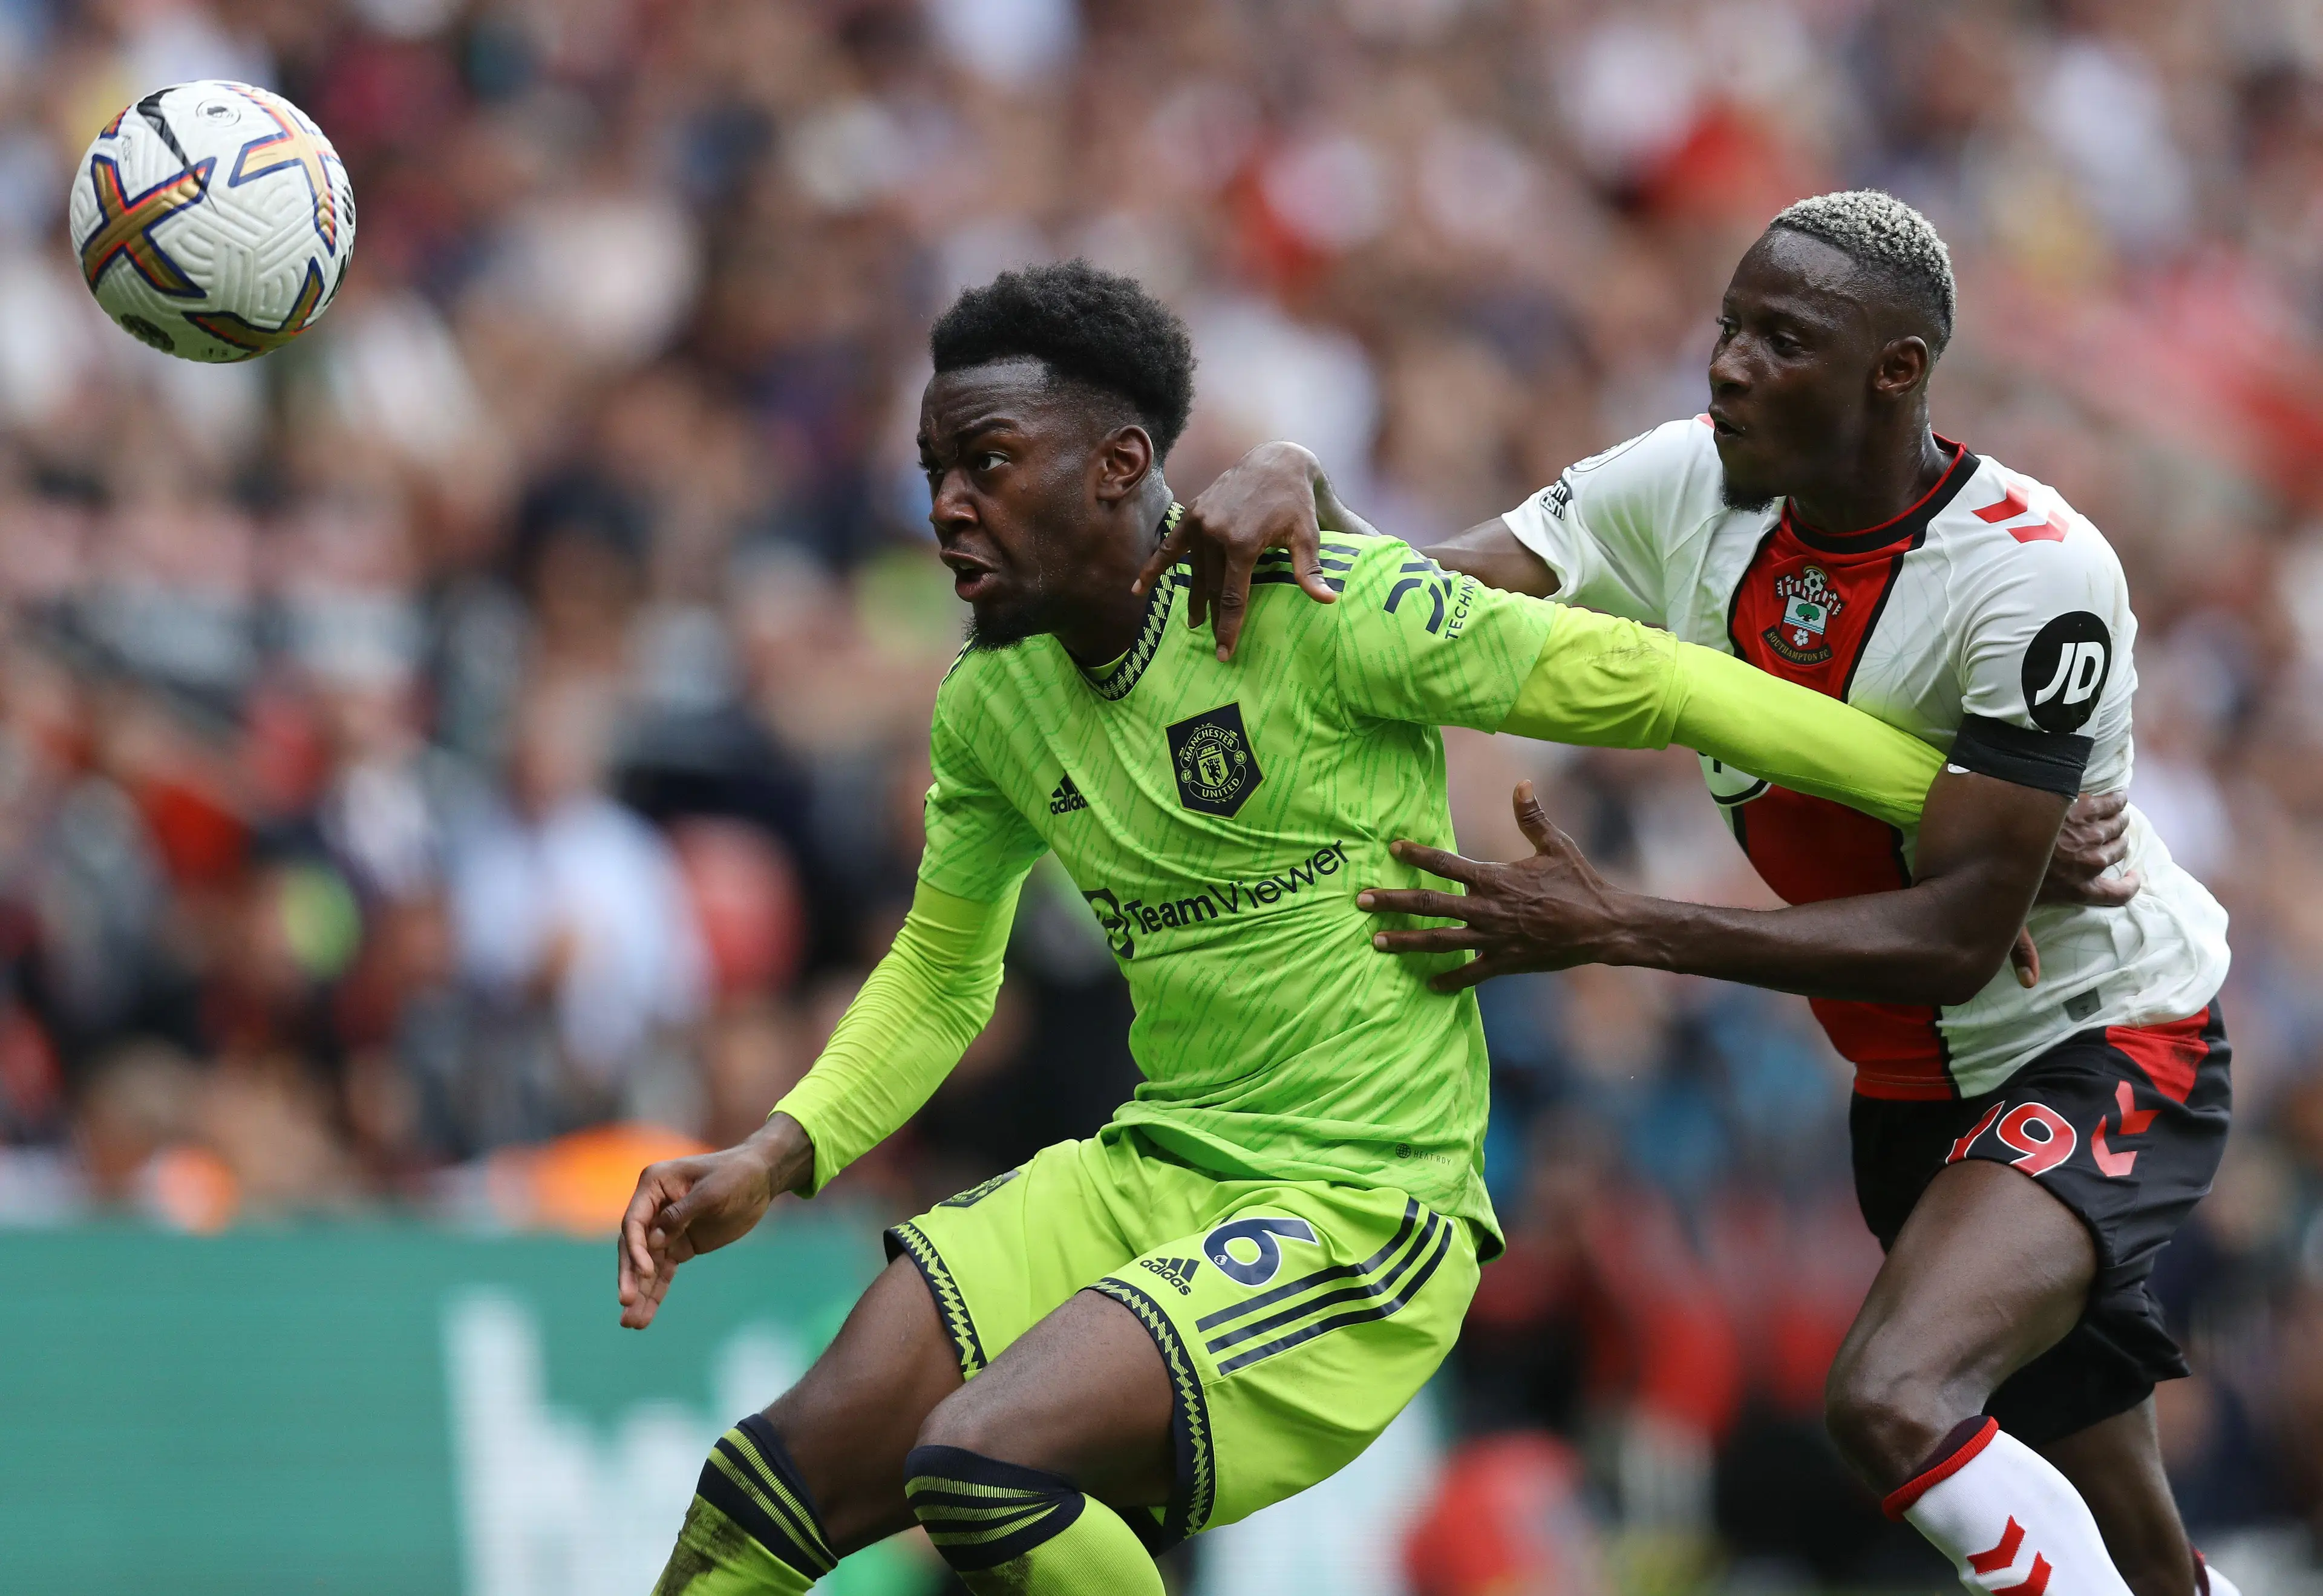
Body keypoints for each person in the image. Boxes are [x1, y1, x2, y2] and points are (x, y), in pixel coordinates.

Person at [614, 260, 1956, 1596]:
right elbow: (941, 974)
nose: (947, 507)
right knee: (762, 1490)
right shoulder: (990, 703)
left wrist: (1948, 804)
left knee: (981, 1467)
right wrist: (777, 1151)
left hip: (1361, 1203)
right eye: (932, 470)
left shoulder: (1314, 607)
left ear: (1116, 464)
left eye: (986, 461)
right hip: (1153, 1169)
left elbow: (1639, 678)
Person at [1156, 192, 2234, 1596]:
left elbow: (1964, 936)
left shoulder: (2036, 575)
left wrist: (1618, 927)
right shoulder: (1680, 485)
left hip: (2099, 1038)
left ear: (1894, 372)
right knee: (2137, 1542)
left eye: (1780, 339)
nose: (1726, 363)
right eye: (1729, 325)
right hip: (1911, 1088)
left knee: (1894, 1397)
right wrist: (1300, 476)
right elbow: (1410, 609)